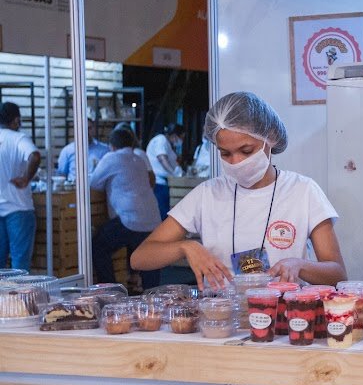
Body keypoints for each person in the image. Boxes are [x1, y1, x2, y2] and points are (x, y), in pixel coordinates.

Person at [130, 91, 347, 289]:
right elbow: (139, 258)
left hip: (286, 315)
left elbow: (337, 274)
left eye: (246, 150)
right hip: (224, 315)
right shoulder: (207, 194)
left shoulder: (303, 191)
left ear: (270, 137)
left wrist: (299, 265)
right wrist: (186, 247)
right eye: (225, 153)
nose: (236, 162)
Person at [90, 128, 161, 289]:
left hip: (130, 219)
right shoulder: (139, 159)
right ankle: (153, 294)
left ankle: (111, 291)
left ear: (112, 146)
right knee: (150, 257)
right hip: (152, 218)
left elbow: (94, 183)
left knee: (98, 247)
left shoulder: (111, 158)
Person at [0, 102, 41, 270]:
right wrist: (26, 178)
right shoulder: (18, 138)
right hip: (19, 209)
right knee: (20, 267)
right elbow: (35, 156)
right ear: (16, 120)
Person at [146, 123, 184, 220]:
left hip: (165, 183)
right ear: (174, 135)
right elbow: (162, 158)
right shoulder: (161, 140)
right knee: (162, 214)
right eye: (181, 137)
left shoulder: (167, 143)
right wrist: (174, 173)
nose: (181, 141)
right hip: (159, 183)